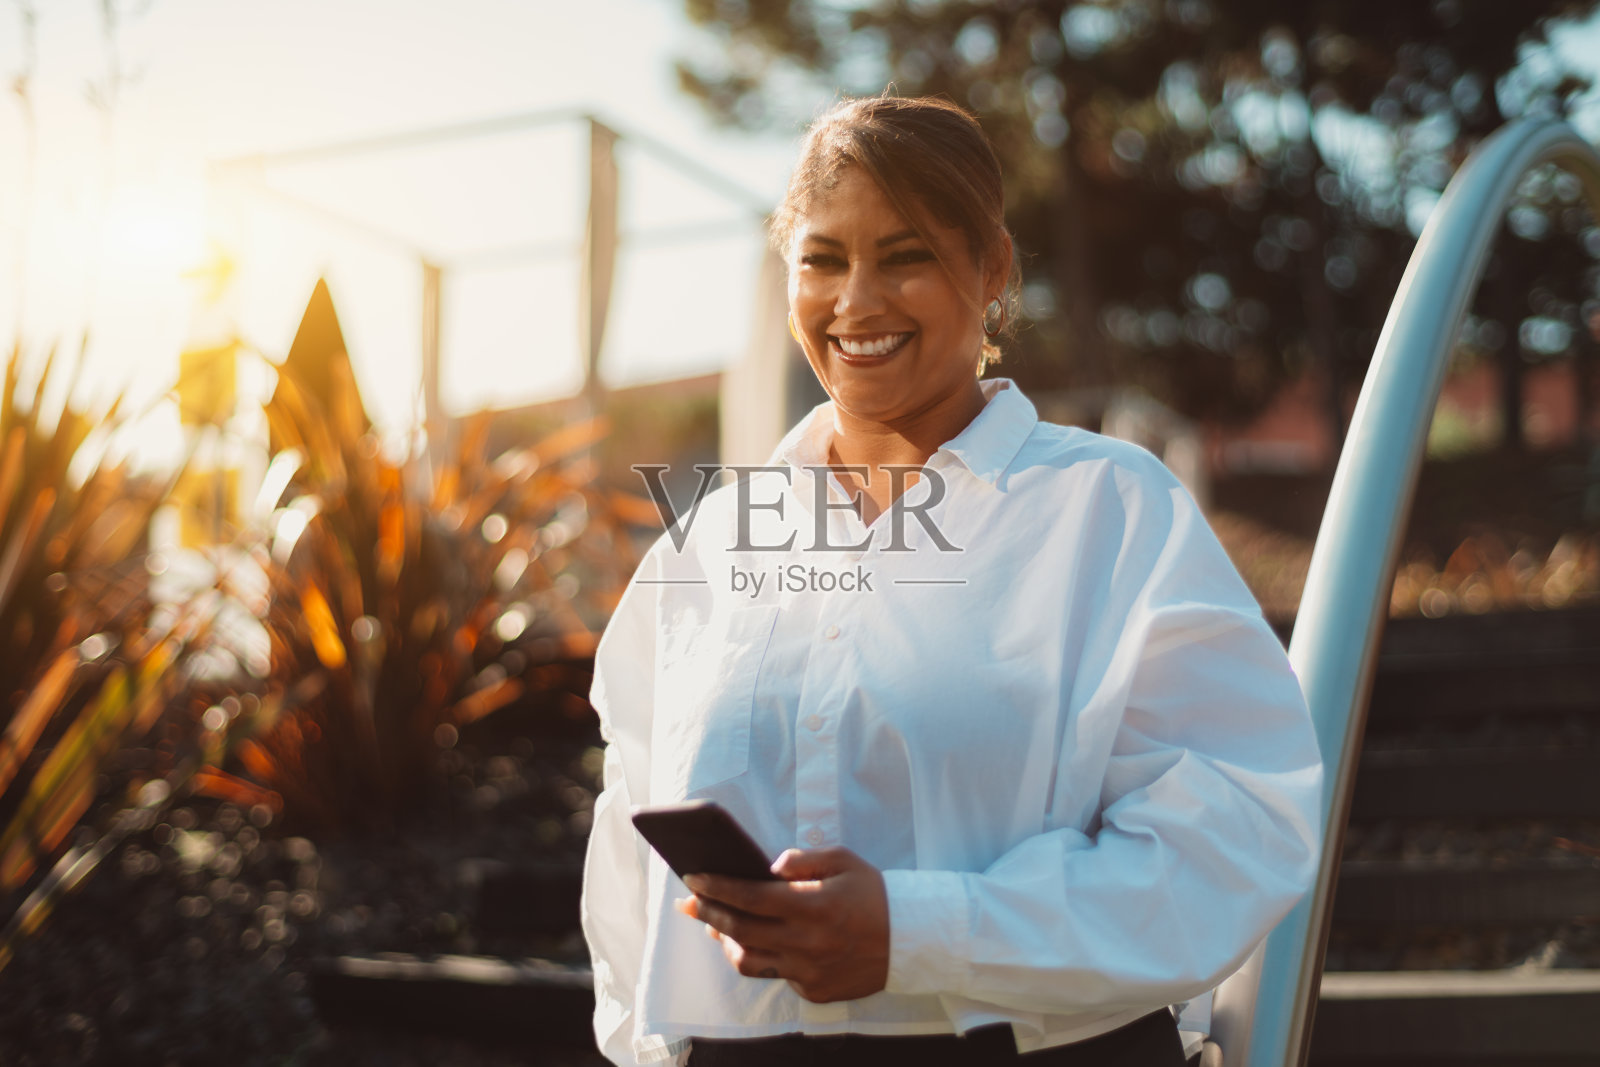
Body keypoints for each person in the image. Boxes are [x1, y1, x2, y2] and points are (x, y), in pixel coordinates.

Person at [580, 94, 1323, 1067]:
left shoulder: (1109, 507)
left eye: (906, 255)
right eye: (822, 258)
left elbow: (1237, 832)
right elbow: (626, 850)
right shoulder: (708, 542)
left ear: (993, 269)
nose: (856, 301)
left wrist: (918, 929)